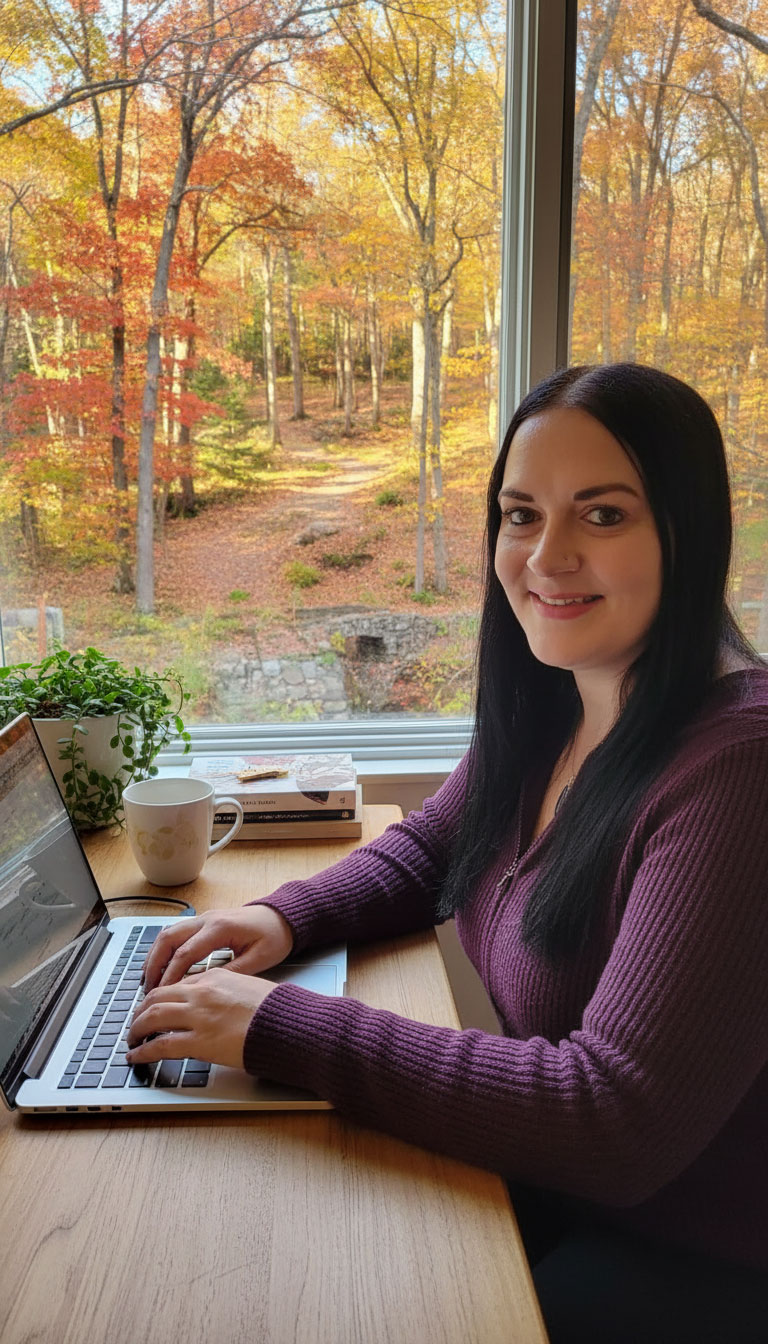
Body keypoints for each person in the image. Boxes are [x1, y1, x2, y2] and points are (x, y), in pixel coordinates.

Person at [128, 363, 768, 1342]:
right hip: (564, 1188)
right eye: (520, 514)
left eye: (603, 516)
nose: (546, 556)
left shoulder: (739, 770)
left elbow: (615, 1120)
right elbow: (436, 842)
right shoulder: (563, 688)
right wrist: (281, 917)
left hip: (689, 1249)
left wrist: (279, 1027)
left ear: (691, 530)